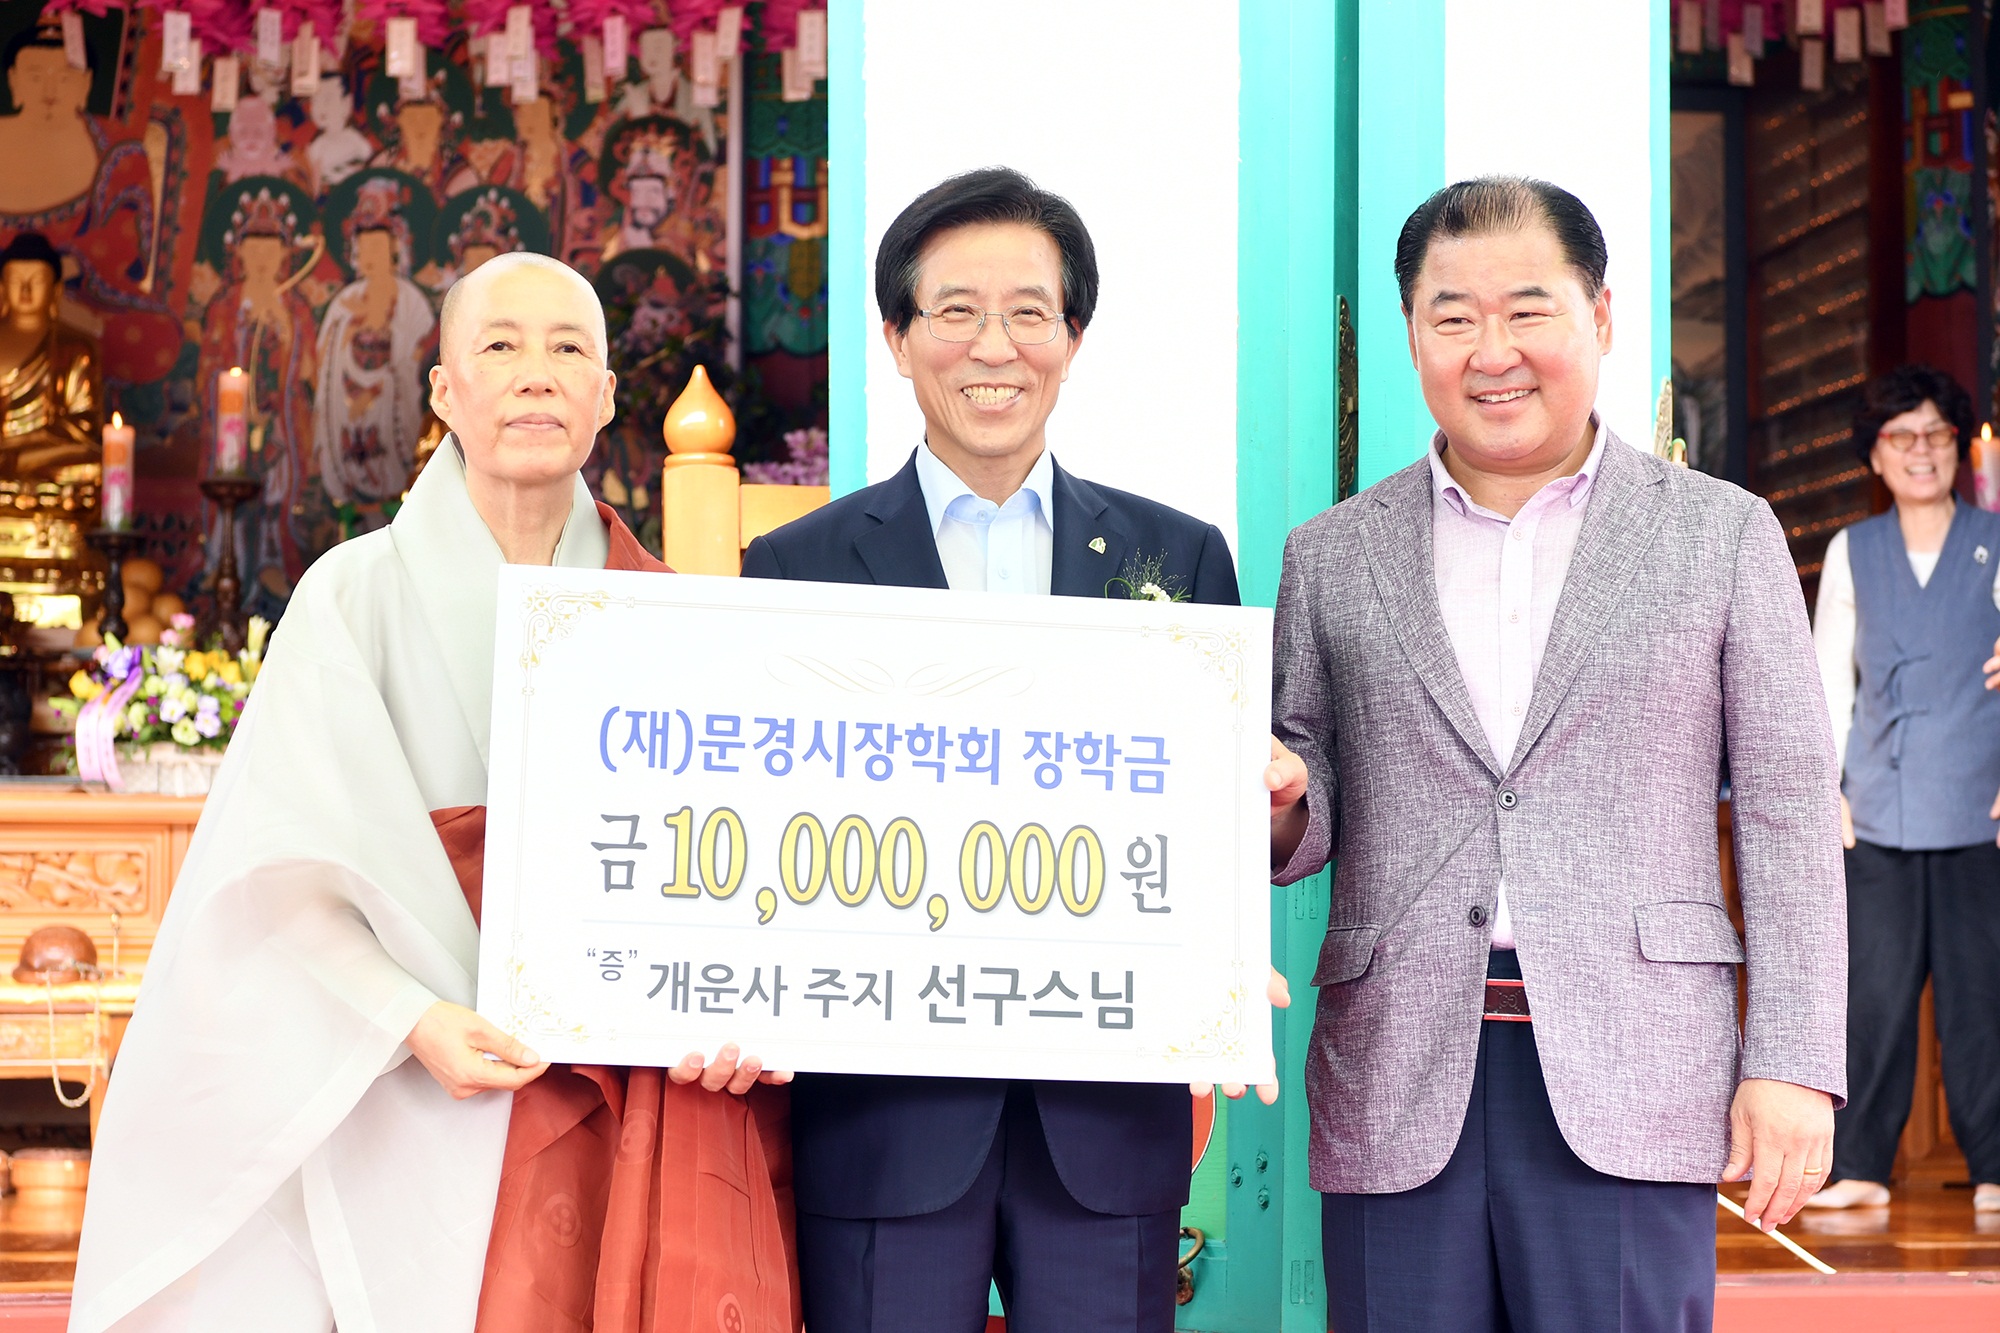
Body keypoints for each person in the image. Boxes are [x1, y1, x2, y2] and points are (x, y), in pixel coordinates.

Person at [72, 253, 797, 1333]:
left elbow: (730, 874)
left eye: (567, 349)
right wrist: (412, 1017)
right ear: (444, 391)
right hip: (406, 1066)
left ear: (606, 395)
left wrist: (731, 1006)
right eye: (500, 346)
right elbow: (275, 870)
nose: (536, 372)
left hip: (618, 1077)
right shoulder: (350, 596)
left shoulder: (672, 615)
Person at [1264, 176, 1846, 1332]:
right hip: (1397, 1068)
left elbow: (1786, 815)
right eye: (1451, 317)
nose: (1491, 352)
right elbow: (1305, 787)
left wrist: (1789, 1062)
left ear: (1600, 316)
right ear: (1411, 334)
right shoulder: (1329, 554)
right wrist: (1278, 804)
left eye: (1525, 310)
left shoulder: (1720, 533)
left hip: (1636, 1062)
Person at [742, 166, 1282, 1333]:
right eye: (955, 311)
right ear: (896, 337)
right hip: (882, 1123)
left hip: (1103, 1124)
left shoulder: (1177, 557)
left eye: (1028, 313)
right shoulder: (795, 568)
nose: (994, 346)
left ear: (1072, 339)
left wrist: (1245, 881)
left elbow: (1215, 816)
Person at [1804, 364, 2000, 1216]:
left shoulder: (1995, 541)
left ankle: (1996, 1169)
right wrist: (1829, 790)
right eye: (1901, 436)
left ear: (1958, 446)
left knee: (1982, 1000)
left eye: (1936, 434)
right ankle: (1860, 1169)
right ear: (1875, 455)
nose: (1921, 451)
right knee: (1873, 1000)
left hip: (1979, 810)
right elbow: (1828, 681)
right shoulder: (1854, 550)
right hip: (1877, 811)